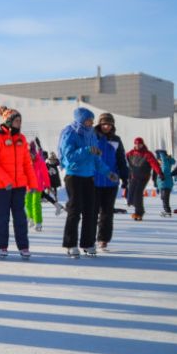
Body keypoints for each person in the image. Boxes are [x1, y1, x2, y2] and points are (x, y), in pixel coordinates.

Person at [58, 108, 118, 258]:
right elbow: (69, 157)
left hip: (89, 176)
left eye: (92, 120)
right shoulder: (70, 133)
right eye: (88, 120)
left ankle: (88, 243)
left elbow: (96, 159)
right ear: (80, 120)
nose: (91, 123)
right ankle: (70, 244)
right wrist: (87, 150)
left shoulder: (91, 134)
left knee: (90, 211)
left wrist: (108, 172)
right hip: (74, 176)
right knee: (75, 210)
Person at [0, 106, 37, 259]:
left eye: (20, 121)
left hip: (19, 185)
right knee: (2, 217)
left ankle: (23, 246)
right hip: (2, 186)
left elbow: (27, 164)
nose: (19, 123)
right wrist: (6, 180)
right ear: (8, 121)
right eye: (16, 120)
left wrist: (33, 183)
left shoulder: (22, 139)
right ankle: (2, 246)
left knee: (20, 217)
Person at [93, 112, 129, 251]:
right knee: (92, 211)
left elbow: (121, 160)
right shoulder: (93, 137)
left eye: (109, 124)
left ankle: (103, 239)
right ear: (99, 124)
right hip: (94, 181)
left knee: (107, 213)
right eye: (104, 124)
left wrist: (125, 177)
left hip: (111, 182)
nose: (106, 126)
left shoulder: (116, 140)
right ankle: (90, 239)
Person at [125, 137, 164, 221]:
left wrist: (160, 173)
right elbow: (122, 159)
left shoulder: (147, 154)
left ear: (142, 144)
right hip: (134, 176)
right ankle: (136, 207)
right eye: (136, 144)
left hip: (143, 177)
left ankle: (139, 212)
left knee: (137, 194)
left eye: (139, 144)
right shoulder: (130, 153)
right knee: (131, 195)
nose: (138, 146)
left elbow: (154, 164)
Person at [25, 140, 50, 232]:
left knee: (36, 204)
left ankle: (38, 222)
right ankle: (31, 217)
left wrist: (47, 184)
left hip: (37, 186)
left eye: (31, 155)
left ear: (34, 154)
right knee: (27, 203)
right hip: (28, 186)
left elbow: (45, 174)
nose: (30, 157)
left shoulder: (40, 162)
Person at [154, 149, 175, 217]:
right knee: (163, 198)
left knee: (165, 199)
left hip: (165, 184)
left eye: (158, 159)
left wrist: (162, 155)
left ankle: (167, 211)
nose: (158, 161)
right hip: (163, 184)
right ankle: (166, 210)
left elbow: (165, 168)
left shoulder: (165, 164)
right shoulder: (163, 164)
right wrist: (157, 186)